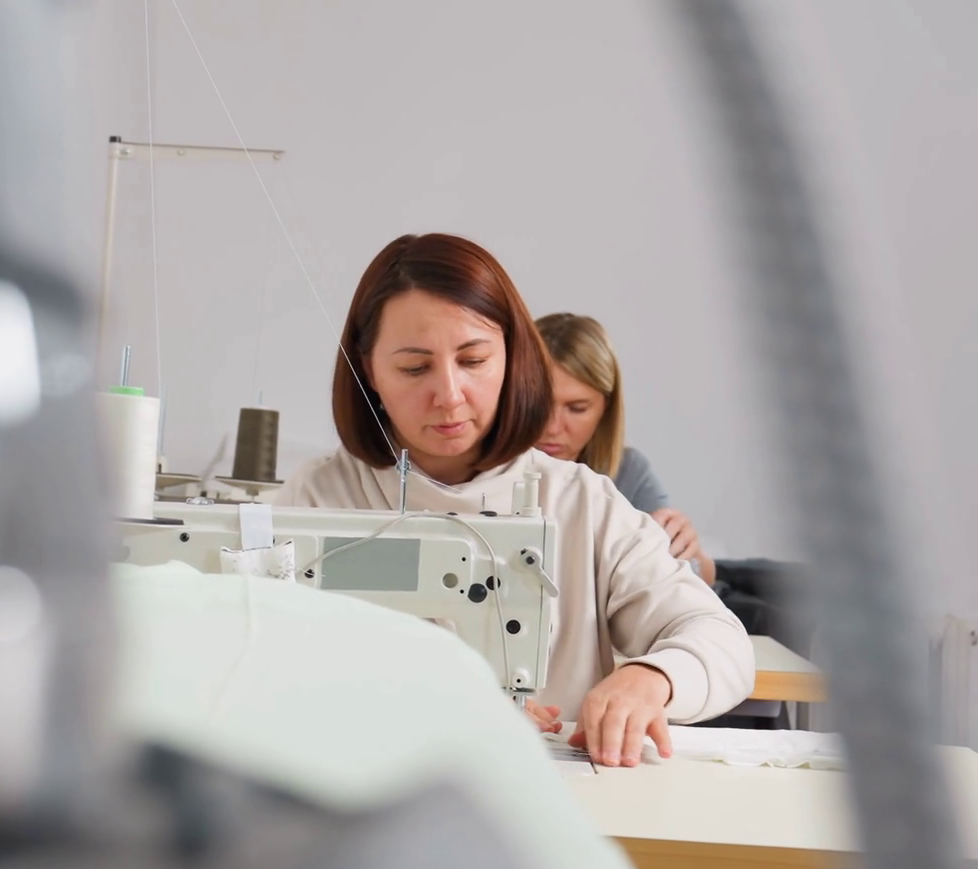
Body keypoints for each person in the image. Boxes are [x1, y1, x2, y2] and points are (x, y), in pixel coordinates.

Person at [274, 234, 752, 767]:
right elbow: (261, 668)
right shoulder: (317, 499)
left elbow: (720, 640)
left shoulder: (582, 502)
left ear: (510, 357)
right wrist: (420, 704)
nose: (449, 395)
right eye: (414, 368)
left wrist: (652, 677)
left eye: (474, 360)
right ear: (369, 371)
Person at [535, 312, 715, 586]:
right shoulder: (481, 470)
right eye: (538, 403)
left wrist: (691, 551)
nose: (552, 427)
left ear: (605, 409)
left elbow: (696, 577)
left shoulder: (628, 471)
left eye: (577, 408)